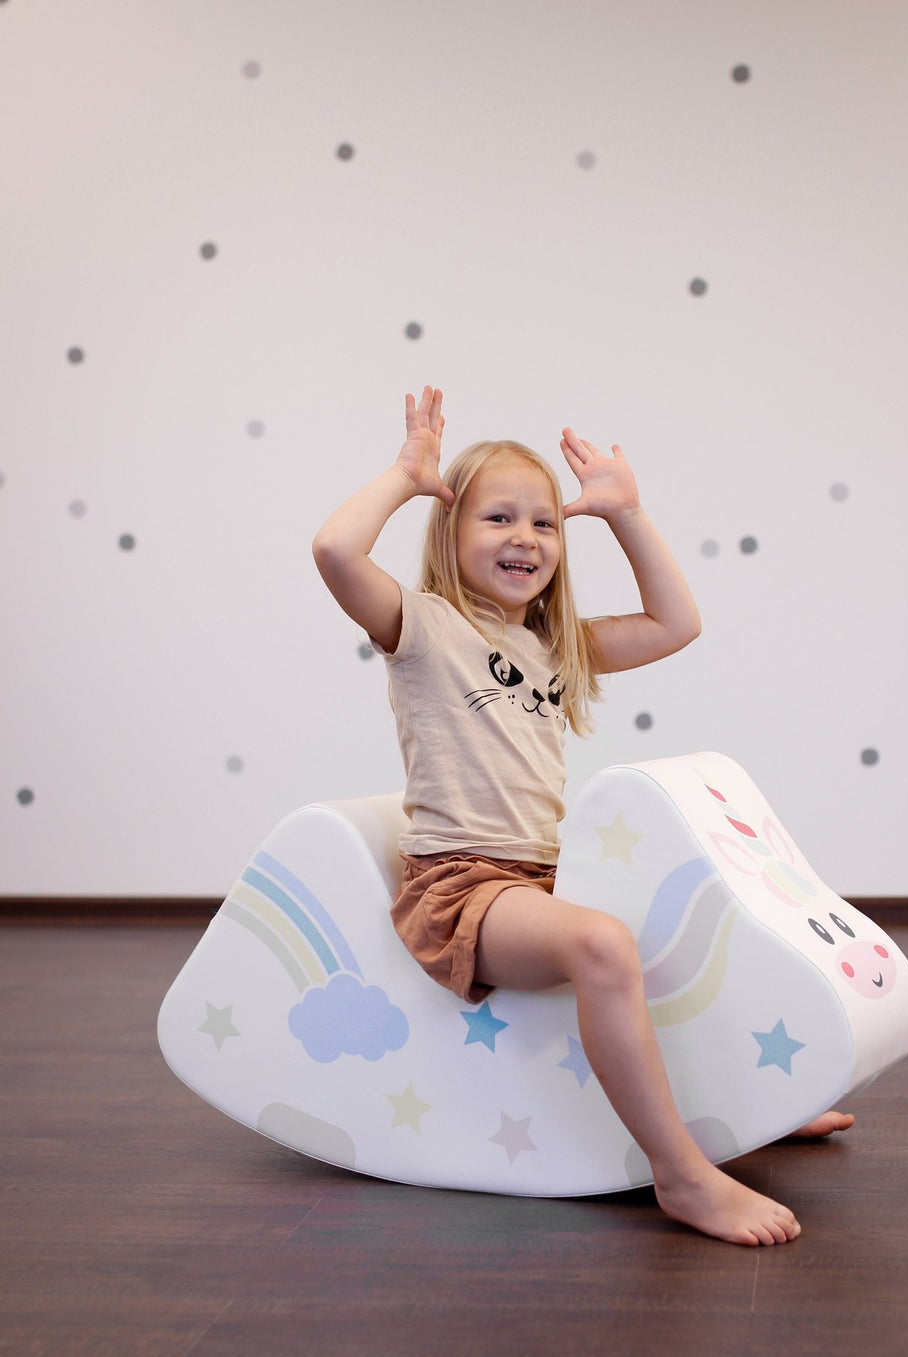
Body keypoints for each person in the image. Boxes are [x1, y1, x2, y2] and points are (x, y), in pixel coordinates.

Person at [313, 386, 852, 1246]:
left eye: (545, 523)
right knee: (603, 942)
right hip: (461, 888)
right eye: (497, 518)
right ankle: (682, 1175)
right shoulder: (424, 627)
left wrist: (626, 514)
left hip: (541, 878)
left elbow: (677, 622)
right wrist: (406, 476)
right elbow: (335, 549)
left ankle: (740, 1108)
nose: (524, 537)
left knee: (669, 923)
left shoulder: (554, 645)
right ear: (449, 532)